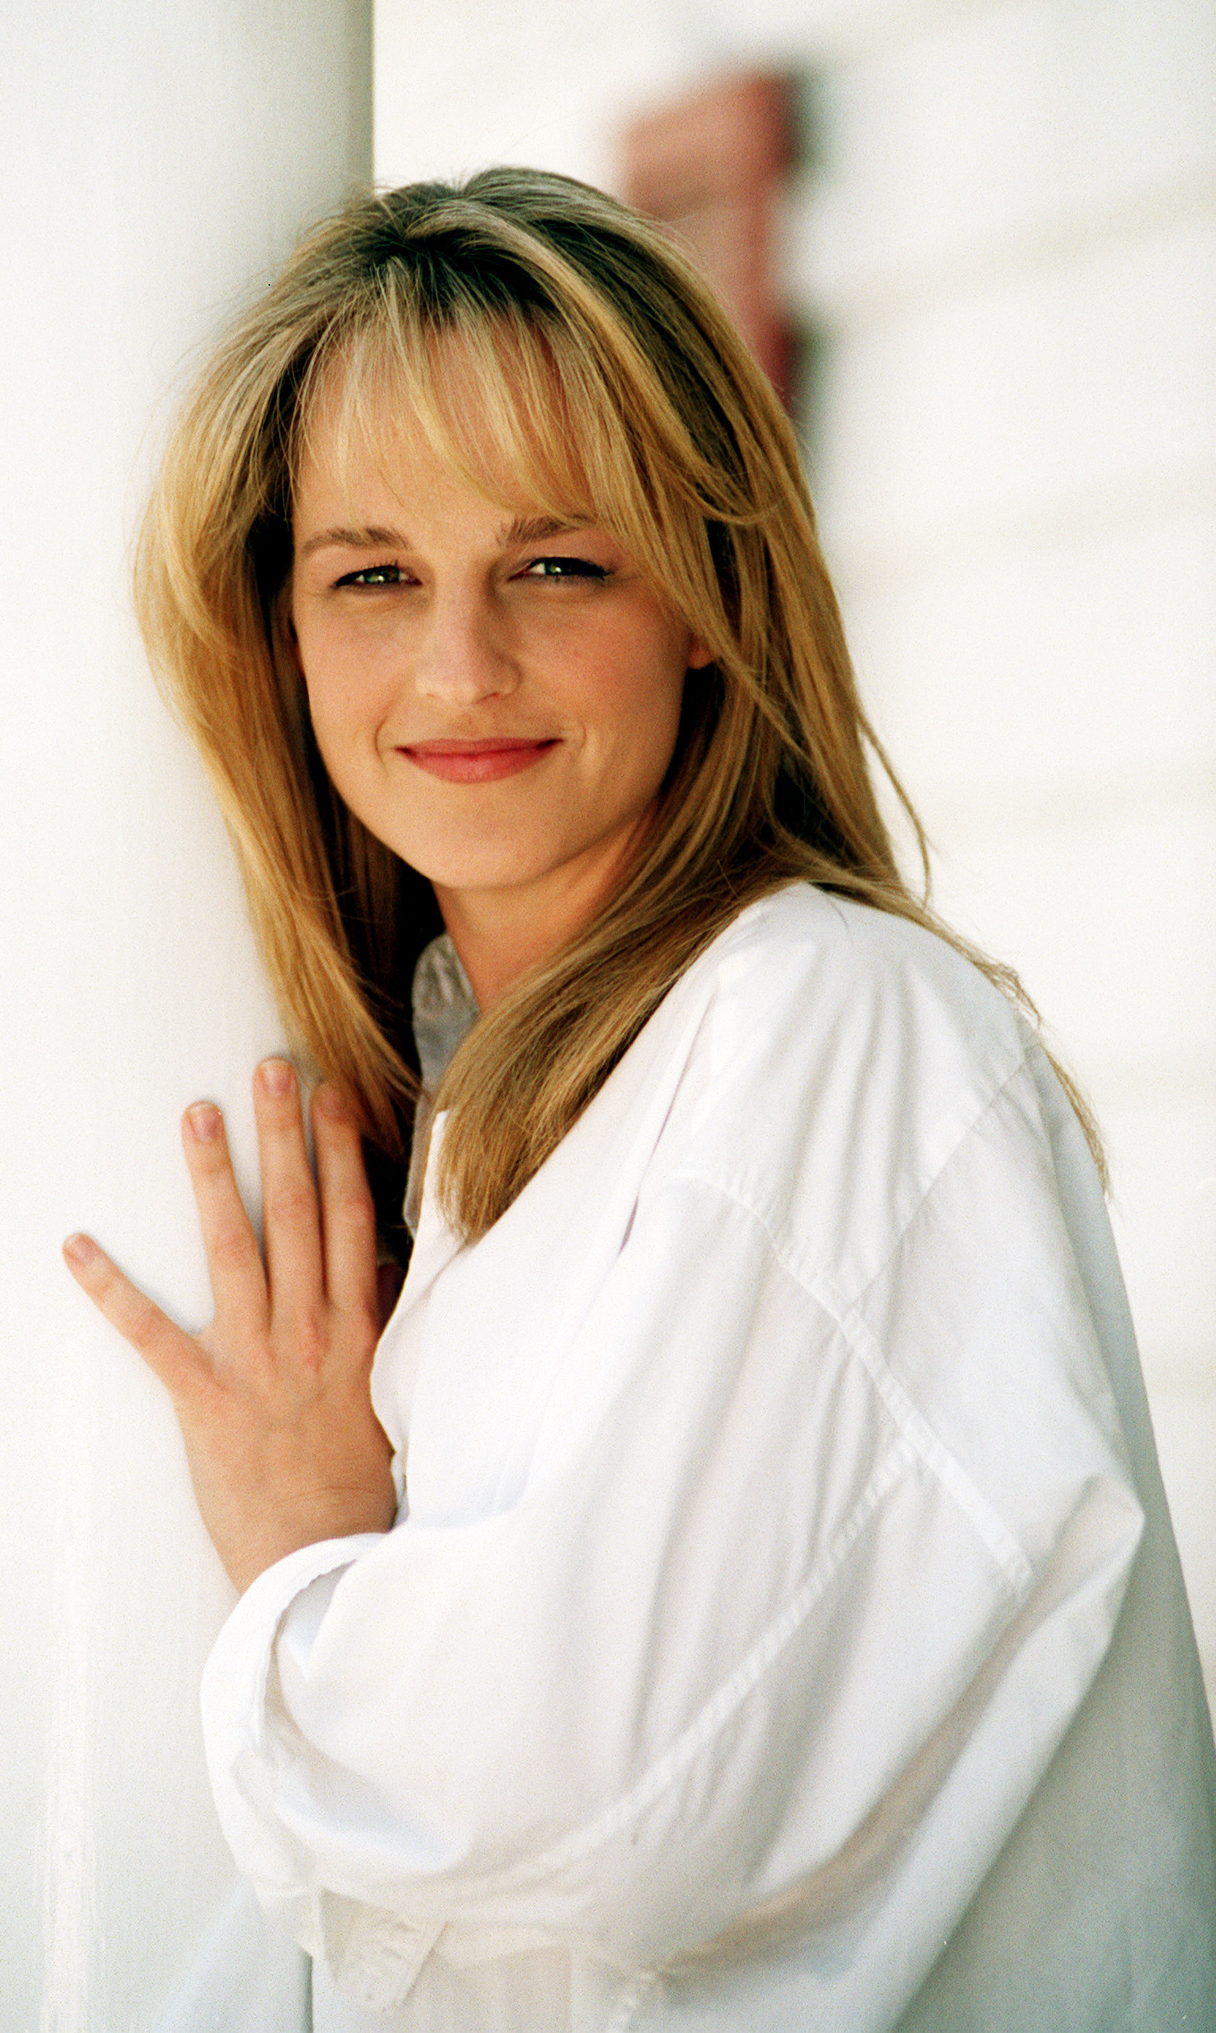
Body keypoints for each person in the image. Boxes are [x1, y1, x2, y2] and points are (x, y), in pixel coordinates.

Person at [63, 170, 1216, 2030]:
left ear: (703, 594)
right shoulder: (466, 1110)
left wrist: (301, 1560)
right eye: (371, 574)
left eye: (556, 562)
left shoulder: (834, 1023)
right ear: (278, 633)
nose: (458, 664)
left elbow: (610, 1803)